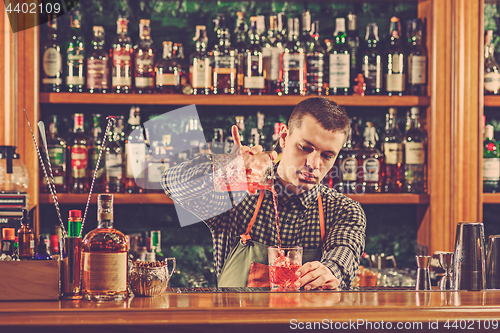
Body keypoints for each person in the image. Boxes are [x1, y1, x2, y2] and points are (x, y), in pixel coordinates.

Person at [162, 97, 366, 290]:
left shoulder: (343, 210)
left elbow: (344, 252)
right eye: (305, 147)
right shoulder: (240, 194)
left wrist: (330, 271)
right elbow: (173, 183)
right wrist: (231, 167)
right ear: (284, 137)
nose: (313, 164)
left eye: (327, 156)